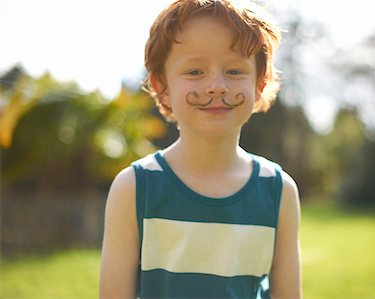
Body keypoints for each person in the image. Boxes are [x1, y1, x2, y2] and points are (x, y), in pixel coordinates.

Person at [99, 0, 301, 298]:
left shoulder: (278, 191)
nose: (216, 86)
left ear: (260, 83)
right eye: (195, 71)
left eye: (234, 71)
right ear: (161, 86)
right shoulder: (134, 188)